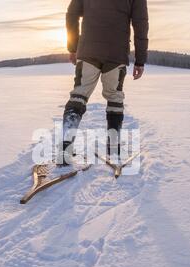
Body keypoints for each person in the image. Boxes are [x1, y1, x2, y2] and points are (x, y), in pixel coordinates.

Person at [59, 0, 149, 165]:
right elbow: (140, 24)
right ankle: (113, 150)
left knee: (79, 95)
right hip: (116, 54)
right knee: (114, 98)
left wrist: (72, 47)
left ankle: (64, 152)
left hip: (88, 51)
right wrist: (140, 60)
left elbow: (72, 14)